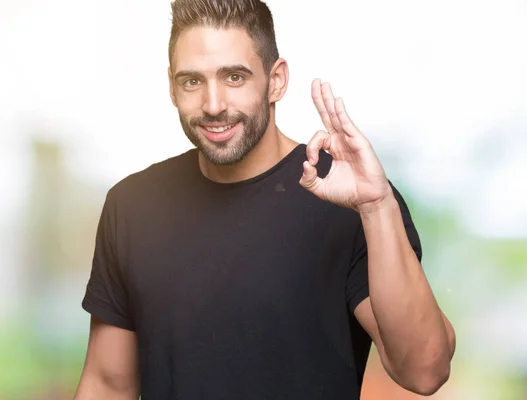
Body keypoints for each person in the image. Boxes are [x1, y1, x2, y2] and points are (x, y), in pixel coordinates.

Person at [73, 0, 456, 399]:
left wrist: (376, 208)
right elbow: (107, 384)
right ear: (171, 86)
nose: (214, 104)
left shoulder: (350, 197)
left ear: (276, 80)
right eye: (192, 81)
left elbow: (425, 371)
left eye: (234, 77)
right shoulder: (133, 205)